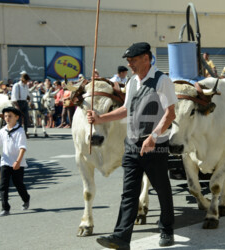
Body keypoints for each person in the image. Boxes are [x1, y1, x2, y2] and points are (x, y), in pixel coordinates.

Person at [88, 42, 176, 249]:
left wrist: (153, 136)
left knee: (161, 188)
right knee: (129, 192)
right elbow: (126, 109)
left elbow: (170, 113)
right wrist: (100, 119)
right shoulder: (132, 82)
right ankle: (121, 237)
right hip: (132, 145)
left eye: (133, 61)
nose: (130, 65)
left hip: (155, 145)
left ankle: (167, 229)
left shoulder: (162, 81)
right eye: (128, 62)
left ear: (146, 58)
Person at [0, 107, 30, 217]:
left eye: (10, 116)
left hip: (18, 162)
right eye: (5, 116)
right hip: (5, 161)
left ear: (16, 117)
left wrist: (18, 161)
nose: (7, 118)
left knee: (18, 184)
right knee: (3, 185)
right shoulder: (2, 131)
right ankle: (5, 208)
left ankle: (26, 199)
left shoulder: (20, 131)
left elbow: (22, 148)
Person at [11, 73, 31, 137]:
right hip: (18, 103)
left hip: (24, 102)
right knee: (18, 119)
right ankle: (18, 132)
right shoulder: (17, 85)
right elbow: (14, 97)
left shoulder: (26, 86)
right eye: (26, 80)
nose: (27, 82)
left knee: (26, 118)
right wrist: (17, 106)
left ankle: (25, 131)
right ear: (23, 79)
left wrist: (29, 99)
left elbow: (27, 95)